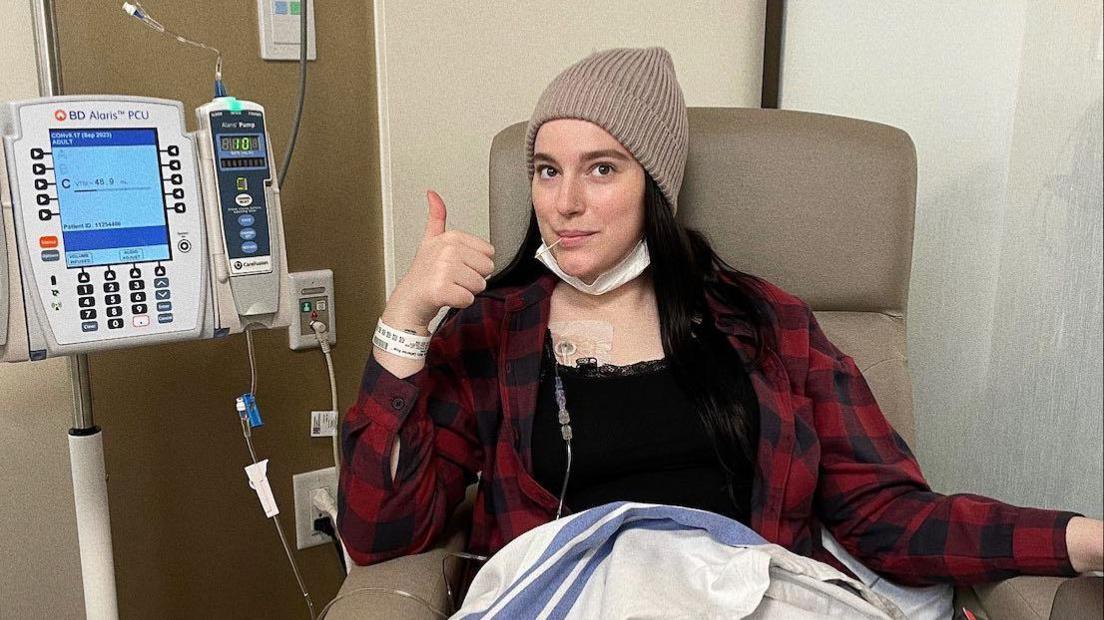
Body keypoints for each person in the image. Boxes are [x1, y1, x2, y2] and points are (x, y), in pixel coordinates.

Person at [339, 47, 1102, 610]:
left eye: (601, 169)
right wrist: (403, 326)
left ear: (656, 188)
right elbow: (381, 536)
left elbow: (886, 515)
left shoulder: (768, 325)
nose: (563, 202)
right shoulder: (494, 334)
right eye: (546, 169)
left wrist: (1082, 537)